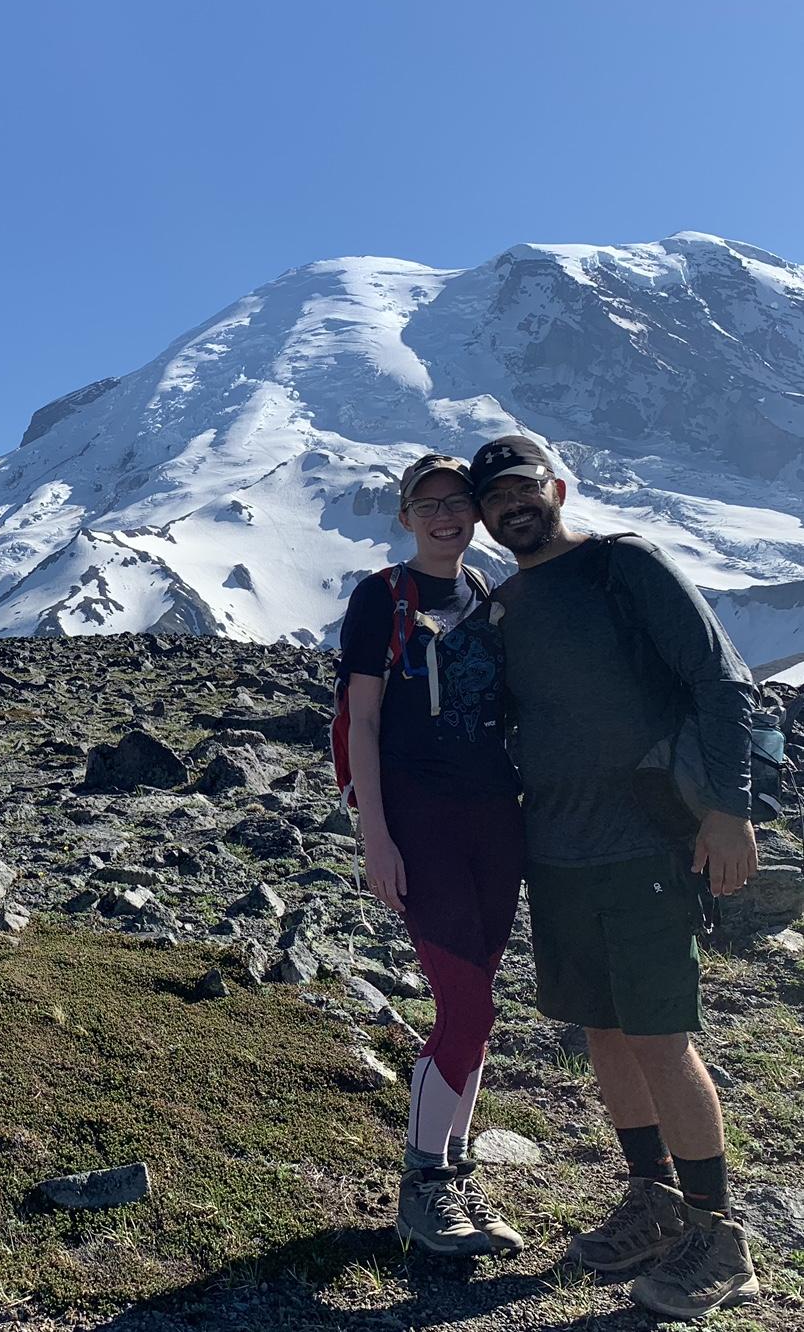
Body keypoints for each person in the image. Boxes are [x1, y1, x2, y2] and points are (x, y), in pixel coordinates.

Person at [469, 434, 760, 1321]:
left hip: (644, 844)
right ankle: (654, 1198)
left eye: (524, 488)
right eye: (495, 499)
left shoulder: (622, 567)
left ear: (555, 487)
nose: (512, 506)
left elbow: (721, 679)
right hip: (556, 850)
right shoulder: (506, 604)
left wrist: (728, 807)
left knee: (662, 1035)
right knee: (601, 1030)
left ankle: (721, 1237)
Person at [339, 453, 525, 1256]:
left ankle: (451, 1170)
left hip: (494, 820)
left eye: (459, 502)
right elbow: (364, 723)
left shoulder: (485, 595)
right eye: (429, 503)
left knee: (475, 1003)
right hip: (421, 821)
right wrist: (375, 836)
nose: (447, 515)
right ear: (406, 515)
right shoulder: (380, 597)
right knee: (469, 1004)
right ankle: (423, 1189)